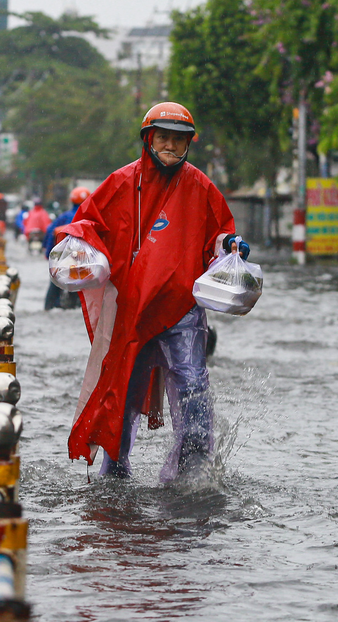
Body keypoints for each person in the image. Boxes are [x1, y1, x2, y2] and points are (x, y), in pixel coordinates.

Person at [54, 102, 246, 482]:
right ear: (148, 138)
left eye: (179, 139)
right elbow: (88, 223)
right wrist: (78, 245)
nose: (171, 146)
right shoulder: (121, 182)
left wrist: (232, 246)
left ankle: (194, 469)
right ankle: (115, 468)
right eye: (164, 137)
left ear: (189, 144)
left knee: (193, 382)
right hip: (133, 308)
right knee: (123, 389)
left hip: (181, 307)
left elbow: (218, 234)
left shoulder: (201, 185)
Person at [44, 187, 90, 310]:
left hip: (62, 259)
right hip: (83, 260)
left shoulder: (63, 217)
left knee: (54, 284)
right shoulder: (90, 218)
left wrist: (48, 253)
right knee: (84, 286)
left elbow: (50, 231)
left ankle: (48, 306)